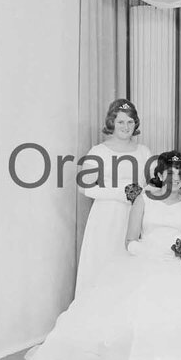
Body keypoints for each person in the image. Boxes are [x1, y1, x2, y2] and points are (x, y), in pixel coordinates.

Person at [27, 152, 181, 360]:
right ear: (160, 175)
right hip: (147, 257)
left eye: (180, 174)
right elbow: (131, 241)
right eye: (170, 174)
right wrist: (151, 252)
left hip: (178, 260)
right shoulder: (144, 200)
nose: (176, 179)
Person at [75, 98, 152, 295]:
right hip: (107, 215)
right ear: (112, 123)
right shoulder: (99, 151)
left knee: (130, 263)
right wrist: (119, 193)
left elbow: (152, 184)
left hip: (135, 215)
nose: (126, 127)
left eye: (130, 122)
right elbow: (83, 187)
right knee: (105, 261)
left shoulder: (143, 151)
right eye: (121, 122)